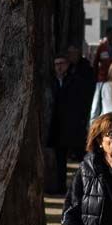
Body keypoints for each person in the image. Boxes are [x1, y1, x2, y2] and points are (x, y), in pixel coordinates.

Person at [44, 55, 74, 194]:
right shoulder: (49, 82)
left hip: (65, 128)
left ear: (67, 65)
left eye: (62, 63)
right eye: (56, 64)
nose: (59, 66)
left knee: (61, 160)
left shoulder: (72, 81)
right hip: (51, 127)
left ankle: (61, 186)